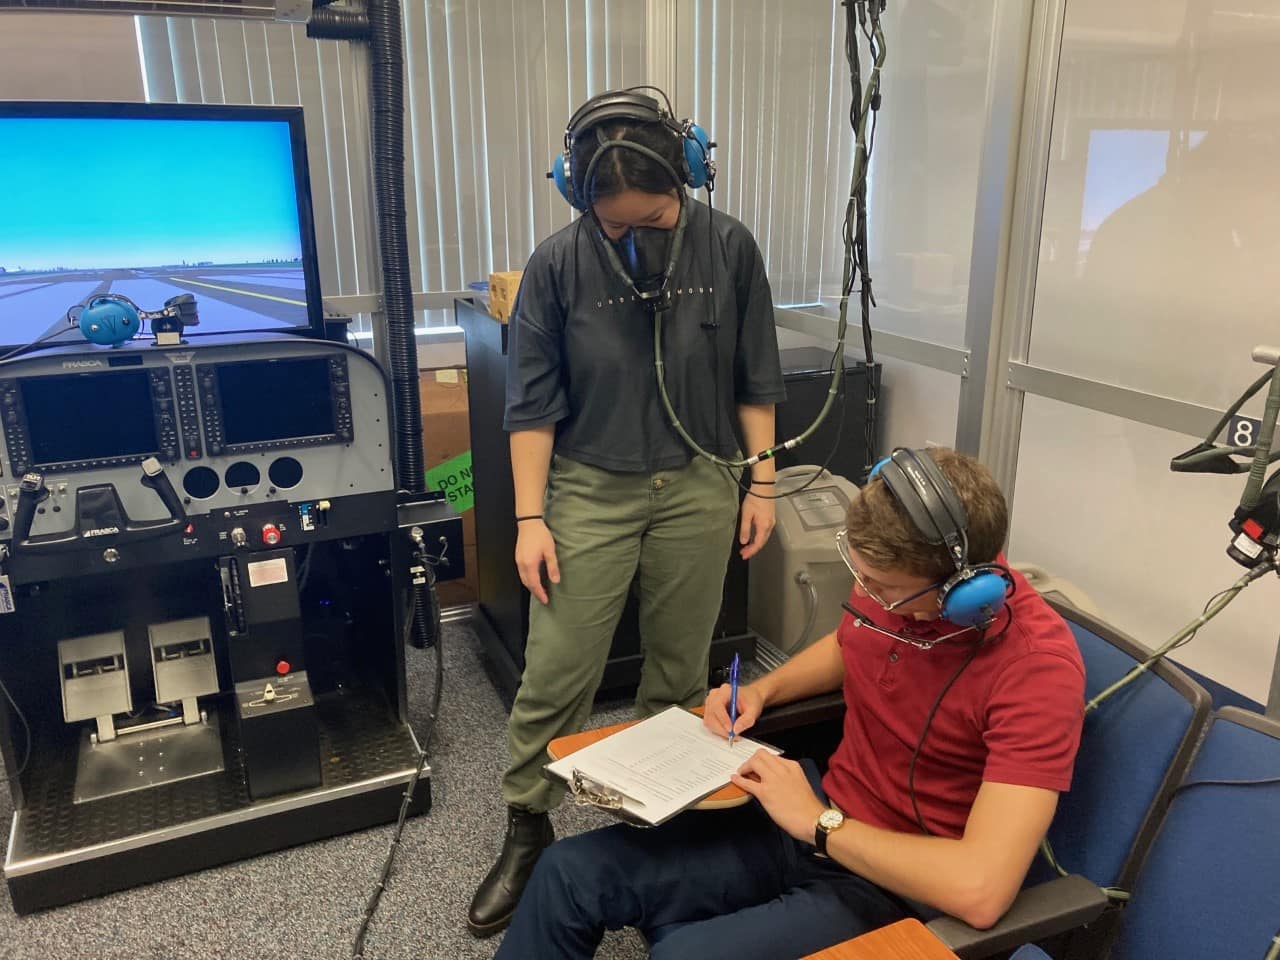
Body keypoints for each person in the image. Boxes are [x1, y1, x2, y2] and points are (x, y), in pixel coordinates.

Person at [492, 447, 1087, 960]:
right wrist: (760, 690)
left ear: (965, 593)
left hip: (891, 884)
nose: (867, 593)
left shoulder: (1036, 671)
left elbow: (980, 890)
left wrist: (819, 822)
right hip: (811, 817)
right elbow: (853, 640)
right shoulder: (902, 585)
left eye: (884, 588)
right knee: (569, 874)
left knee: (681, 955)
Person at [466, 88, 786, 937]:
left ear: (686, 178)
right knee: (556, 672)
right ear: (579, 197)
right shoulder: (555, 266)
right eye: (614, 224)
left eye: (651, 219)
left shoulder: (730, 248)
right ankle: (528, 829)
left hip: (700, 484)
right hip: (590, 490)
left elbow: (756, 384)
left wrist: (763, 484)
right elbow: (529, 409)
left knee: (680, 677)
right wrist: (530, 521)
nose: (632, 237)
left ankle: (658, 841)